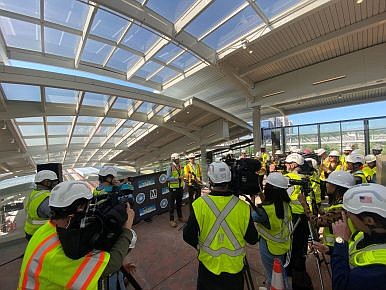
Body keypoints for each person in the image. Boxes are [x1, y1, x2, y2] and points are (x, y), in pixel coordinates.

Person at [18, 180, 136, 290]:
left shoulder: (46, 229)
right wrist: (127, 229)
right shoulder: (61, 253)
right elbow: (111, 265)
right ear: (80, 207)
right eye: (89, 206)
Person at [183, 161, 259, 290]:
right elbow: (252, 239)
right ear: (229, 179)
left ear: (211, 181)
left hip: (208, 267)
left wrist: (199, 247)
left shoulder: (199, 204)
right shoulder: (243, 207)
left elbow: (188, 235)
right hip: (235, 270)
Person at [331, 183, 386, 290]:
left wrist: (340, 241)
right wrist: (332, 250)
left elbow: (341, 285)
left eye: (349, 213)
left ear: (369, 220)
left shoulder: (378, 269)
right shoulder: (363, 234)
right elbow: (356, 252)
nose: (347, 217)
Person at [299, 170, 355, 253]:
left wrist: (304, 204)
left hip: (343, 250)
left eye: (329, 183)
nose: (326, 185)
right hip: (338, 248)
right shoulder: (345, 203)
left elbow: (316, 222)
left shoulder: (341, 208)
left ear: (337, 187)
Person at [252, 172, 292, 289]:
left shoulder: (265, 211)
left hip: (269, 247)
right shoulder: (285, 204)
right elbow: (271, 205)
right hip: (282, 246)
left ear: (269, 190)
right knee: (279, 273)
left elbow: (251, 217)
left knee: (273, 276)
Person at [284, 153, 313, 289]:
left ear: (293, 164)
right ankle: (300, 269)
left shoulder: (288, 178)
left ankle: (290, 274)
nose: (285, 165)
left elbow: (285, 197)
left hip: (293, 218)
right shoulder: (308, 179)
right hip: (306, 217)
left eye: (287, 163)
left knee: (291, 247)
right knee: (302, 247)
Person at [24, 170, 58, 240]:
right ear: (46, 183)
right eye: (55, 182)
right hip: (40, 234)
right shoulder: (46, 199)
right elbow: (58, 218)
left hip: (30, 231)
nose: (56, 184)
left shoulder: (34, 193)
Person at [166, 153, 185, 227]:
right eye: (177, 159)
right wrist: (178, 178)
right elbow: (167, 178)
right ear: (173, 159)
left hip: (180, 188)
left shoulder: (180, 166)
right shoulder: (170, 167)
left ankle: (180, 217)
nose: (178, 160)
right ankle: (171, 220)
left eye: (178, 159)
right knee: (171, 205)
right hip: (173, 189)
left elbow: (182, 176)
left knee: (179, 204)